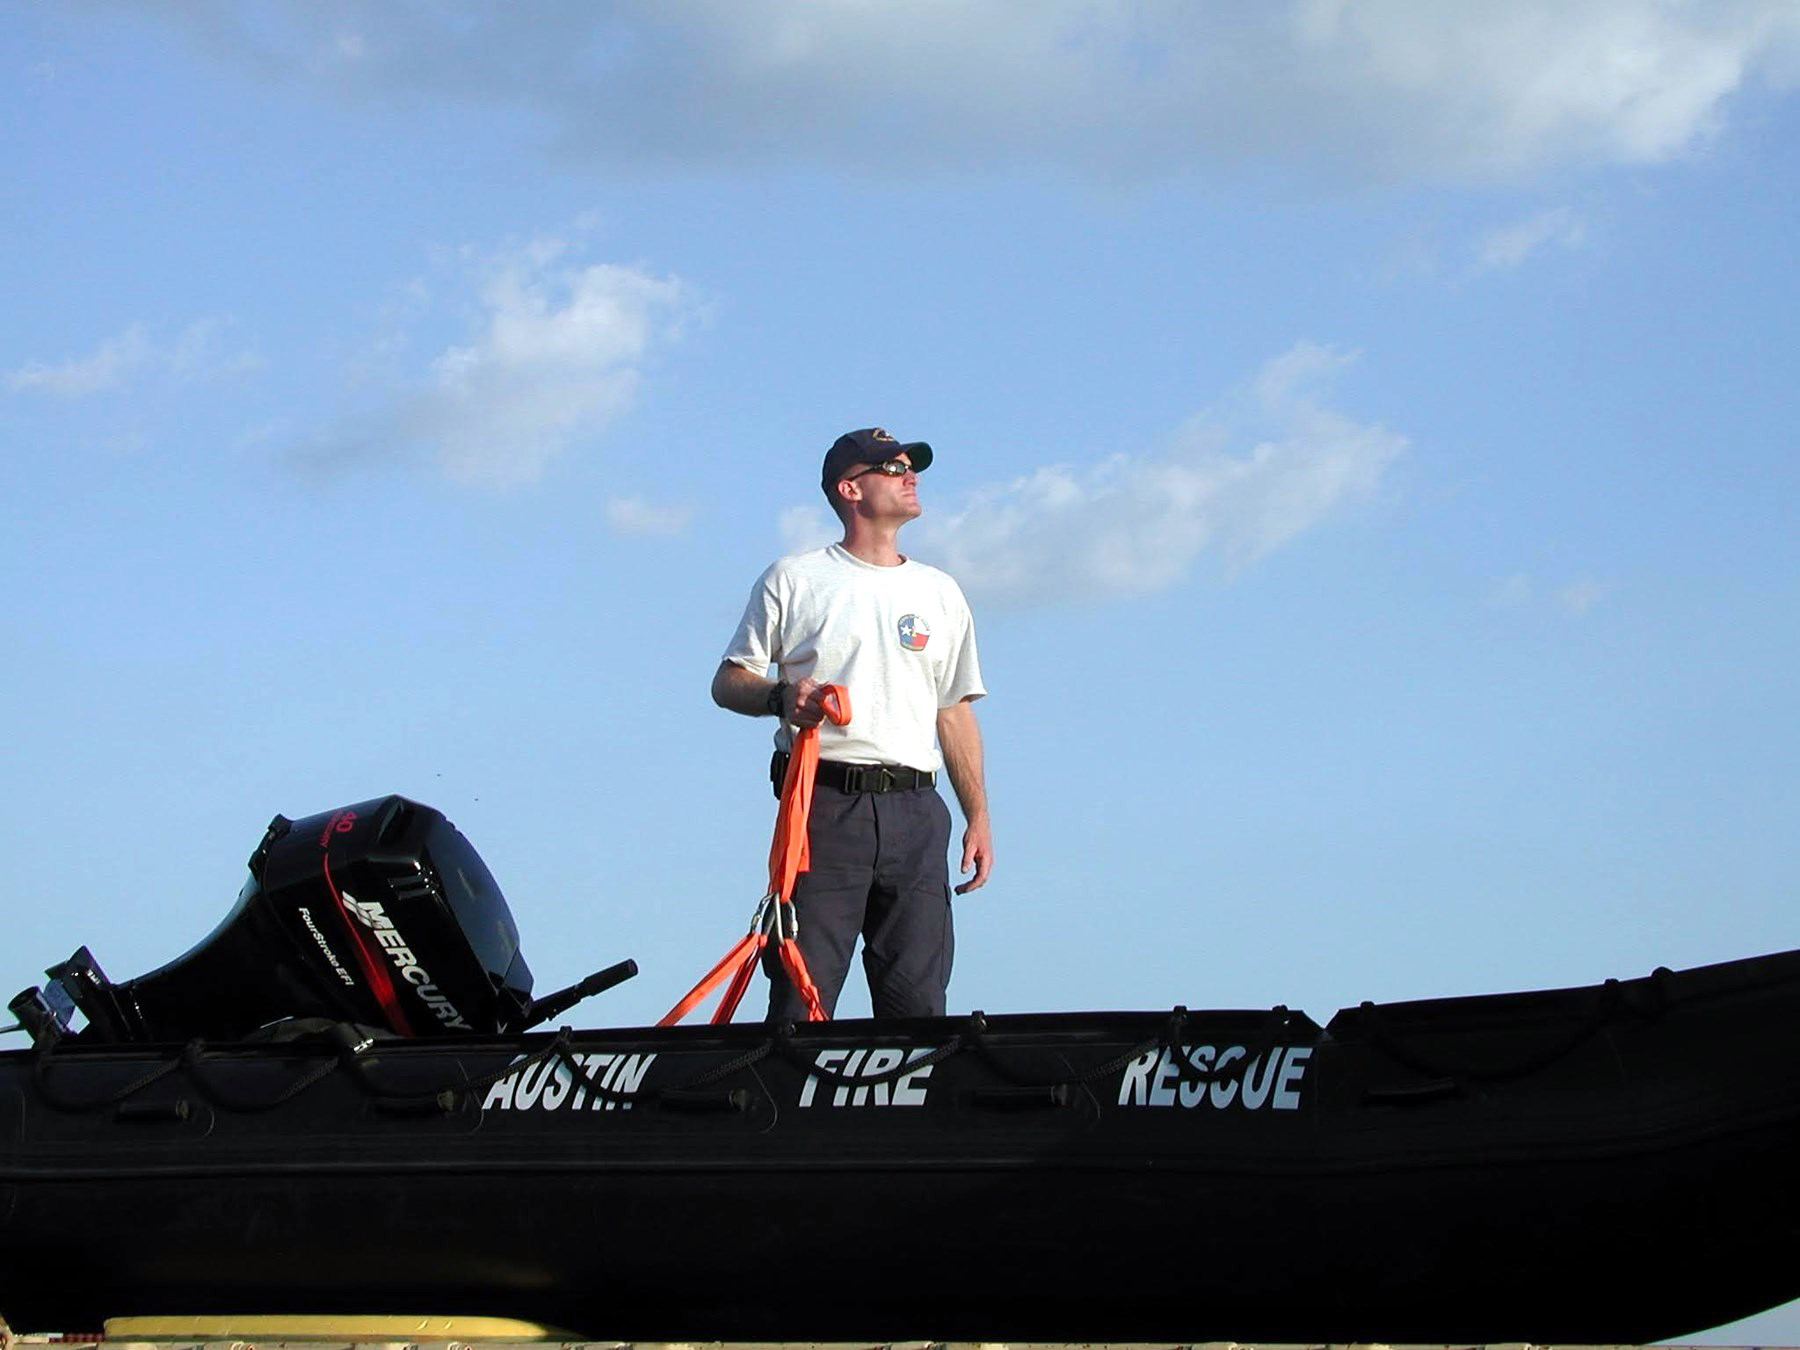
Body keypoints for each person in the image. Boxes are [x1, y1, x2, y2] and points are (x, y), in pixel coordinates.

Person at [712, 427, 992, 1021]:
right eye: (892, 468)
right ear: (850, 489)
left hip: (917, 812)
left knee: (918, 1005)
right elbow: (729, 681)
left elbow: (954, 709)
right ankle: (784, 1110)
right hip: (824, 808)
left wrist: (979, 816)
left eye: (909, 466)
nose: (908, 476)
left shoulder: (939, 592)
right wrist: (785, 697)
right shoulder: (795, 578)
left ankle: (904, 1111)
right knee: (801, 995)